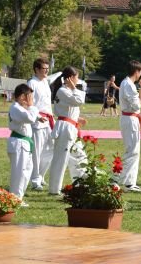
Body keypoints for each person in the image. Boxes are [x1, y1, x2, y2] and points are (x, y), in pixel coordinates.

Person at [48, 66, 87, 195]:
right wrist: (74, 88)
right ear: (70, 78)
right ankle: (55, 189)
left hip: (70, 126)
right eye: (76, 77)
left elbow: (70, 108)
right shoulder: (63, 91)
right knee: (61, 158)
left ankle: (82, 184)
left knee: (79, 156)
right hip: (65, 128)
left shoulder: (67, 91)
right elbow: (78, 101)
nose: (77, 80)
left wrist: (77, 118)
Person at [7, 84, 45, 206]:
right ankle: (14, 198)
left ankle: (19, 197)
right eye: (29, 96)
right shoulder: (15, 108)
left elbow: (30, 115)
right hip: (18, 143)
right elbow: (28, 117)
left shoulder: (21, 108)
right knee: (19, 173)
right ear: (22, 96)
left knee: (26, 172)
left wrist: (39, 117)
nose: (31, 99)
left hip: (24, 143)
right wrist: (33, 107)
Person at [119, 60, 141, 192]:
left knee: (134, 151)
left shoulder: (128, 84)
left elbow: (137, 103)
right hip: (130, 118)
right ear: (137, 71)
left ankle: (129, 182)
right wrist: (140, 90)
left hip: (130, 118)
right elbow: (137, 105)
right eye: (140, 71)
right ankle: (119, 179)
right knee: (132, 151)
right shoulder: (128, 85)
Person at [27, 58, 54, 191]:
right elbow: (29, 103)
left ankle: (41, 175)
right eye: (44, 69)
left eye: (48, 69)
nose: (47, 71)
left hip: (48, 120)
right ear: (37, 69)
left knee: (50, 149)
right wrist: (37, 117)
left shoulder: (45, 82)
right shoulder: (32, 83)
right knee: (36, 151)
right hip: (37, 121)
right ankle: (35, 179)